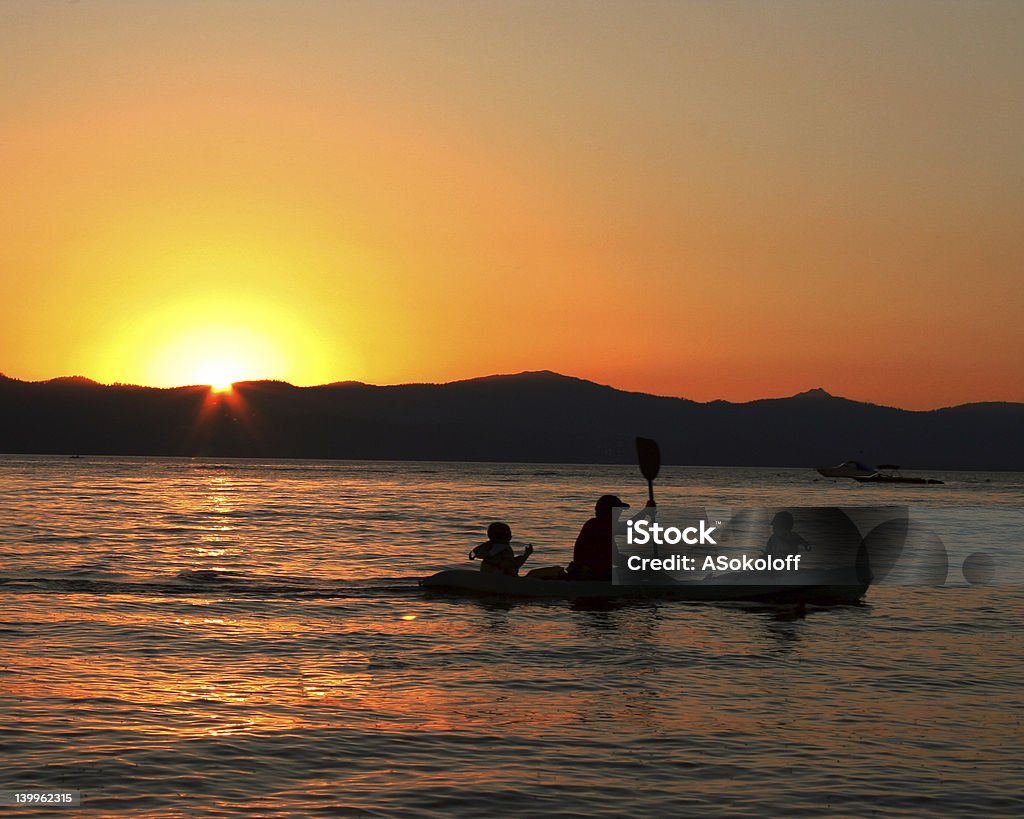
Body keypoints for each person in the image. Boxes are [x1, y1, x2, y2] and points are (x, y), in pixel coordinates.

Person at [566, 494, 655, 581]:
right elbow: (617, 558)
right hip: (592, 574)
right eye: (618, 511)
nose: (620, 514)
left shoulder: (599, 524)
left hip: (595, 572)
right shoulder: (599, 525)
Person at [469, 522, 534, 576]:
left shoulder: (490, 547)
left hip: (496, 579)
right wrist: (526, 555)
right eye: (508, 535)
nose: (510, 537)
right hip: (501, 580)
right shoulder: (498, 550)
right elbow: (513, 566)